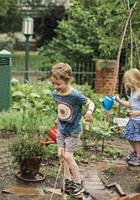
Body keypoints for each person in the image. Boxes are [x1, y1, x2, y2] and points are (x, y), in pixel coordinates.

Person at [50, 63, 95, 196]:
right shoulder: (56, 93)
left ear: (68, 80)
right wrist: (58, 118)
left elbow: (90, 103)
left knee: (68, 156)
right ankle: (68, 181)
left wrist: (89, 112)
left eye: (58, 84)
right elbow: (62, 107)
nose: (56, 87)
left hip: (73, 130)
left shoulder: (75, 95)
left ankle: (78, 183)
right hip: (62, 129)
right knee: (60, 155)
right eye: (54, 84)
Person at [115, 68, 140, 167]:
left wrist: (137, 113)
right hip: (134, 120)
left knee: (136, 139)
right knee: (129, 136)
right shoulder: (133, 92)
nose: (125, 83)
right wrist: (119, 101)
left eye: (127, 81)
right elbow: (130, 104)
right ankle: (136, 153)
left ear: (133, 80)